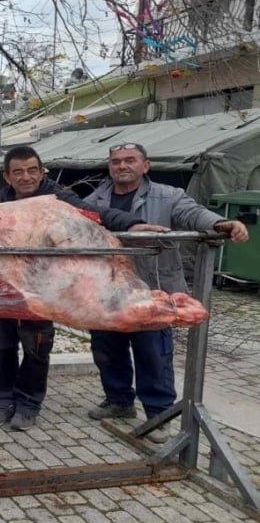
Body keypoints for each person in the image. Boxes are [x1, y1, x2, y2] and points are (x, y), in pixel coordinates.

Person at [0, 145, 159, 432]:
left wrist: (133, 224)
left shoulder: (58, 199)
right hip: (0, 286)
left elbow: (95, 212)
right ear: (7, 177)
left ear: (41, 171)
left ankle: (28, 403)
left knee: (36, 346)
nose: (26, 177)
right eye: (18, 172)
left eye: (32, 170)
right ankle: (3, 401)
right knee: (2, 346)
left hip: (42, 289)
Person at [84, 142, 249, 443]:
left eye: (130, 160)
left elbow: (193, 214)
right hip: (107, 290)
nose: (122, 166)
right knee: (107, 349)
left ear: (145, 165)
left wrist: (221, 223)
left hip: (153, 290)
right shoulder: (94, 199)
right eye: (116, 161)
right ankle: (119, 401)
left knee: (153, 354)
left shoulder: (168, 196)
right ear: (109, 166)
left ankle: (159, 415)